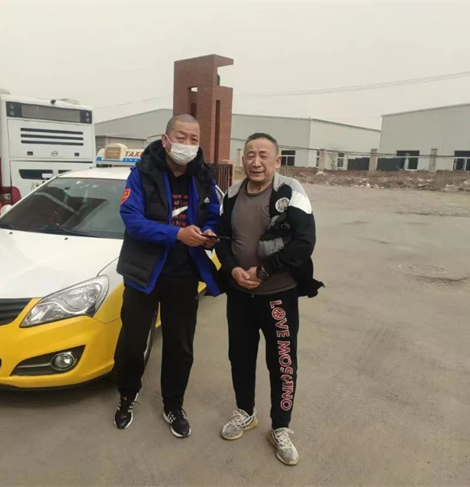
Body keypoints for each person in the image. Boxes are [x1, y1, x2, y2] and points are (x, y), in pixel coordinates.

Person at [216, 133, 323, 465]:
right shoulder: (232, 194)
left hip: (278, 297)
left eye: (264, 155)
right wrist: (233, 269)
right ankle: (245, 412)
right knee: (240, 357)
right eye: (250, 155)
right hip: (240, 296)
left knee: (283, 363)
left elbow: (304, 242)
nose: (256, 162)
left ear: (277, 161)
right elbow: (222, 240)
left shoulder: (291, 191)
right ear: (243, 159)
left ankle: (280, 427)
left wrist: (264, 271)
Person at [113, 114, 222, 438]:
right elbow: (132, 220)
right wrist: (176, 235)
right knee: (133, 342)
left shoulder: (203, 176)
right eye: (181, 137)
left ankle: (173, 404)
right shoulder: (142, 173)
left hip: (183, 274)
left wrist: (209, 232)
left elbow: (214, 215)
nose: (187, 144)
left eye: (194, 139)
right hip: (143, 273)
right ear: (166, 140)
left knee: (180, 345)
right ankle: (127, 395)